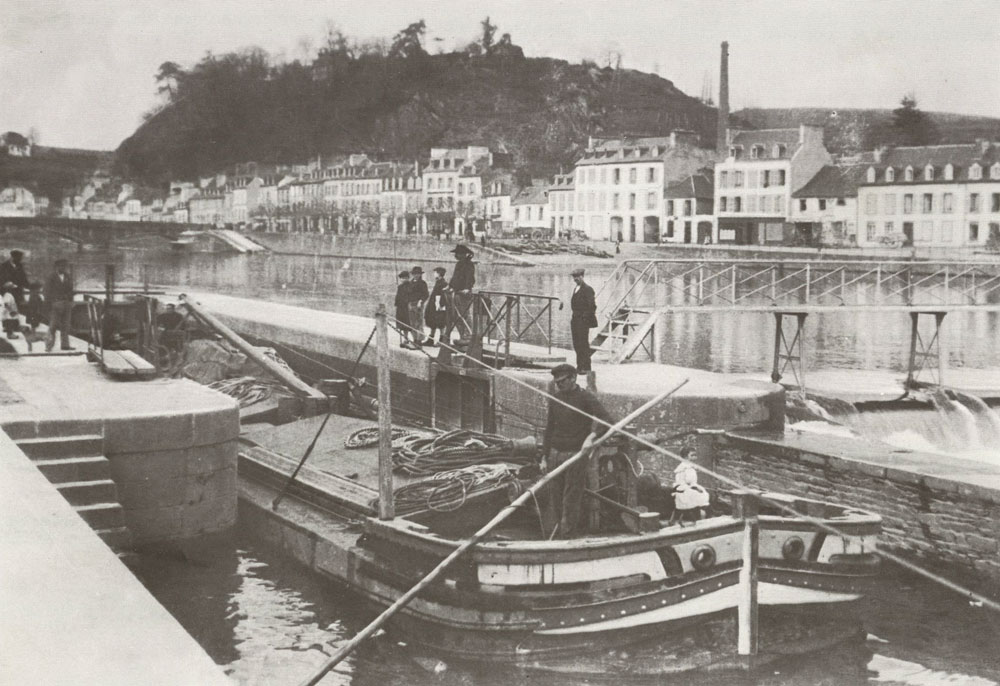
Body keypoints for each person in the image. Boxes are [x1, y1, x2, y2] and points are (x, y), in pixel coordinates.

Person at [539, 363, 614, 538]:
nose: (559, 385)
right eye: (557, 382)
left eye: (563, 381)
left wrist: (591, 437)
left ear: (573, 378)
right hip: (555, 454)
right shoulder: (556, 398)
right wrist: (544, 456)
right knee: (554, 497)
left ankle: (567, 536)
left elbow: (607, 419)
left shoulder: (586, 398)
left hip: (575, 455)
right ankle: (555, 533)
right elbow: (549, 429)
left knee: (570, 499)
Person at [569, 267, 597, 374]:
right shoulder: (576, 289)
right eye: (574, 277)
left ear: (582, 276)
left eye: (577, 277)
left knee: (583, 343)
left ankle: (586, 367)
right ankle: (579, 366)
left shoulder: (588, 289)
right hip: (575, 319)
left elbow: (592, 306)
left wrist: (585, 318)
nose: (575, 279)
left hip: (582, 320)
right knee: (576, 343)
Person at [447, 244, 476, 344]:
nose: (456, 255)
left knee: (465, 314)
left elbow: (470, 277)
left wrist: (467, 288)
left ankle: (468, 336)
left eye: (458, 253)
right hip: (456, 292)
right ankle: (462, 336)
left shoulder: (469, 264)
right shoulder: (458, 264)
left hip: (464, 293)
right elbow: (455, 277)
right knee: (457, 315)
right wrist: (450, 286)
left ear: (463, 254)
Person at [44, 258, 74, 351]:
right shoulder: (51, 277)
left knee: (66, 325)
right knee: (53, 326)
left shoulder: (68, 276)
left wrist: (70, 300)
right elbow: (46, 291)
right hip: (55, 304)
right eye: (61, 265)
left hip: (66, 303)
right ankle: (49, 346)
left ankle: (65, 345)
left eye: (65, 266)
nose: (63, 267)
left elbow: (71, 289)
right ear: (56, 267)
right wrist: (50, 303)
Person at [0, 249, 32, 325]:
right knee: (7, 309)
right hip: (6, 292)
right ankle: (7, 328)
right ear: (13, 257)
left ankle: (15, 326)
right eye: (18, 258)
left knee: (17, 310)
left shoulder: (20, 266)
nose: (20, 260)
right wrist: (5, 284)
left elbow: (24, 279)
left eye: (20, 258)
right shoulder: (3, 266)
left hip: (18, 292)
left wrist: (30, 286)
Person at [424, 267, 448, 347]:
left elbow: (442, 295)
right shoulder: (438, 282)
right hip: (434, 305)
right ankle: (431, 339)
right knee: (432, 322)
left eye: (435, 272)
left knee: (441, 322)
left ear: (439, 273)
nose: (434, 274)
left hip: (439, 306)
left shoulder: (443, 283)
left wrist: (440, 305)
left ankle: (442, 341)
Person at [407, 266, 429, 346]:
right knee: (412, 322)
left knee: (418, 322)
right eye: (414, 274)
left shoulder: (423, 283)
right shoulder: (410, 283)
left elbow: (426, 294)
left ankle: (419, 340)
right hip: (411, 304)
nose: (416, 275)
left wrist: (421, 301)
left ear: (420, 274)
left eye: (418, 274)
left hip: (418, 304)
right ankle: (415, 339)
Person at [394, 270, 414, 348]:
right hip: (400, 307)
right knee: (402, 323)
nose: (402, 279)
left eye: (404, 278)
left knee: (408, 323)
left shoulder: (410, 286)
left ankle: (412, 339)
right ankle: (405, 338)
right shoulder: (400, 286)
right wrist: (396, 304)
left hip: (406, 307)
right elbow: (398, 297)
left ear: (407, 278)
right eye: (401, 278)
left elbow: (410, 295)